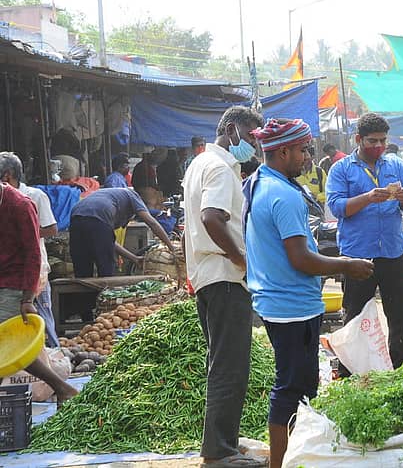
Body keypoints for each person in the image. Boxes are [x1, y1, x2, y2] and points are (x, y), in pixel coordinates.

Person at [244, 118, 373, 468]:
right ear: (283, 151)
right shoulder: (283, 195)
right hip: (291, 306)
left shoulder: (259, 183)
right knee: (291, 388)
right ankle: (281, 462)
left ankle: (293, 456)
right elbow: (300, 258)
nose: (307, 157)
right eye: (302, 150)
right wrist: (346, 265)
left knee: (298, 384)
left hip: (279, 300)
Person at [181, 105, 264, 468]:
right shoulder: (219, 168)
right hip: (224, 276)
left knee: (223, 362)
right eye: (249, 137)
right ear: (230, 131)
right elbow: (211, 218)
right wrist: (242, 259)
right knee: (230, 365)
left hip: (209, 275)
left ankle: (222, 442)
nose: (252, 146)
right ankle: (219, 452)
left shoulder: (200, 164)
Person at [326, 113, 403, 374]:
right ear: (358, 139)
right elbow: (336, 207)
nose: (378, 146)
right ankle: (351, 373)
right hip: (358, 256)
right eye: (372, 141)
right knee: (355, 318)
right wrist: (367, 198)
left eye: (382, 141)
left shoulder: (395, 165)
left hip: (393, 252)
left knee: (400, 318)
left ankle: (402, 372)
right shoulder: (341, 169)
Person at [0, 181, 79, 405]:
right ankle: (62, 388)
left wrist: (27, 298)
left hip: (15, 282)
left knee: (9, 345)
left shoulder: (20, 205)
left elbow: (33, 253)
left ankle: (61, 387)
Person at [0, 152, 61, 346]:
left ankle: (54, 354)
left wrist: (27, 298)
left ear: (6, 176)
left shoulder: (29, 199)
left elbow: (49, 232)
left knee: (41, 320)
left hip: (30, 273)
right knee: (19, 337)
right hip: (11, 273)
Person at [69, 188, 175, 278]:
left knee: (82, 271)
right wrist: (171, 247)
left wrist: (134, 259)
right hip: (98, 218)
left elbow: (109, 241)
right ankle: (105, 300)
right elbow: (152, 223)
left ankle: (82, 301)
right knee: (106, 269)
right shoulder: (133, 196)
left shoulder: (112, 196)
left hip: (76, 218)